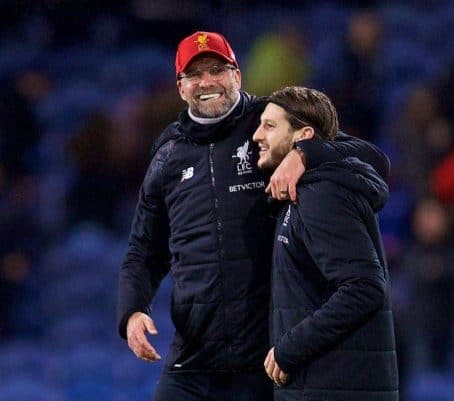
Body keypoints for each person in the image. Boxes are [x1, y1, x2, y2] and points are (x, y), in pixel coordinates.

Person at [117, 31, 389, 401]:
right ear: (181, 88)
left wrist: (305, 153)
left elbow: (371, 158)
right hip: (193, 361)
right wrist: (133, 311)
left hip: (263, 360)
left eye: (217, 69)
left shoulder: (269, 123)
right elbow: (143, 251)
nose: (207, 82)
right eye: (194, 75)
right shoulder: (168, 154)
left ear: (237, 76)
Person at [253, 86, 398, 401]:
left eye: (269, 126)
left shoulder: (321, 194)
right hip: (326, 384)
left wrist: (289, 348)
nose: (256, 136)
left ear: (302, 136)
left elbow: (364, 286)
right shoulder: (311, 185)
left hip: (330, 386)